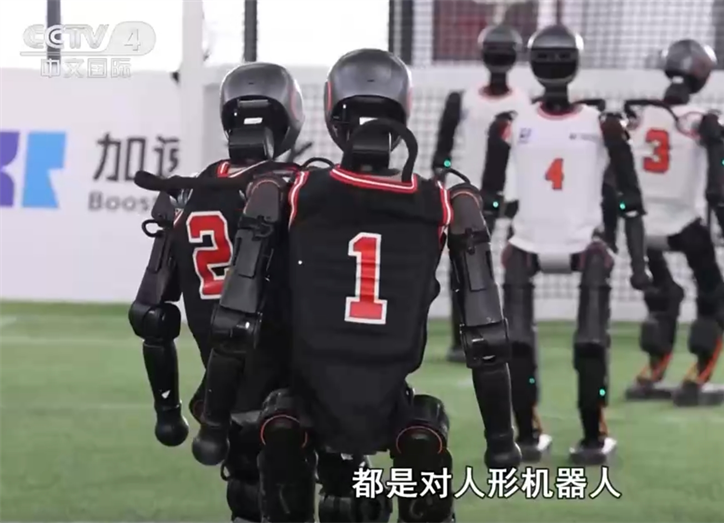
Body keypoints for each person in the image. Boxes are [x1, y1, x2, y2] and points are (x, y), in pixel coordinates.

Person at [146, 49, 521, 523]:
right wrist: (500, 438)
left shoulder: (290, 188)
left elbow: (214, 316)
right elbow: (486, 334)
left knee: (276, 443)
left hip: (283, 386)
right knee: (408, 443)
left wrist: (209, 422)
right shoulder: (437, 199)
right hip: (377, 386)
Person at [128, 62, 304, 523]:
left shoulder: (187, 192)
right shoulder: (300, 188)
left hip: (226, 392)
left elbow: (151, 314)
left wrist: (167, 410)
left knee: (248, 497)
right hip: (298, 384)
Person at [480, 24, 652, 466]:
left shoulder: (602, 125)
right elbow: (491, 197)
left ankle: (593, 432)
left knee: (591, 342)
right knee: (516, 343)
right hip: (526, 240)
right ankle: (526, 430)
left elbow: (630, 199)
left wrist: (638, 261)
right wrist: (477, 253)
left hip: (586, 241)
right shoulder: (511, 125)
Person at [620, 39, 724, 407]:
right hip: (683, 225)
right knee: (715, 294)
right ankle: (698, 373)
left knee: (661, 295)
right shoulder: (703, 121)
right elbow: (717, 192)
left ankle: (653, 367)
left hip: (643, 228)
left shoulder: (639, 116)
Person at [431, 24, 532, 364]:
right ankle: (462, 338)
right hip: (470, 192)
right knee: (464, 264)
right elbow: (442, 150)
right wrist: (441, 179)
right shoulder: (463, 99)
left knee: (517, 265)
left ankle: (516, 333)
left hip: (513, 193)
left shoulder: (524, 103)